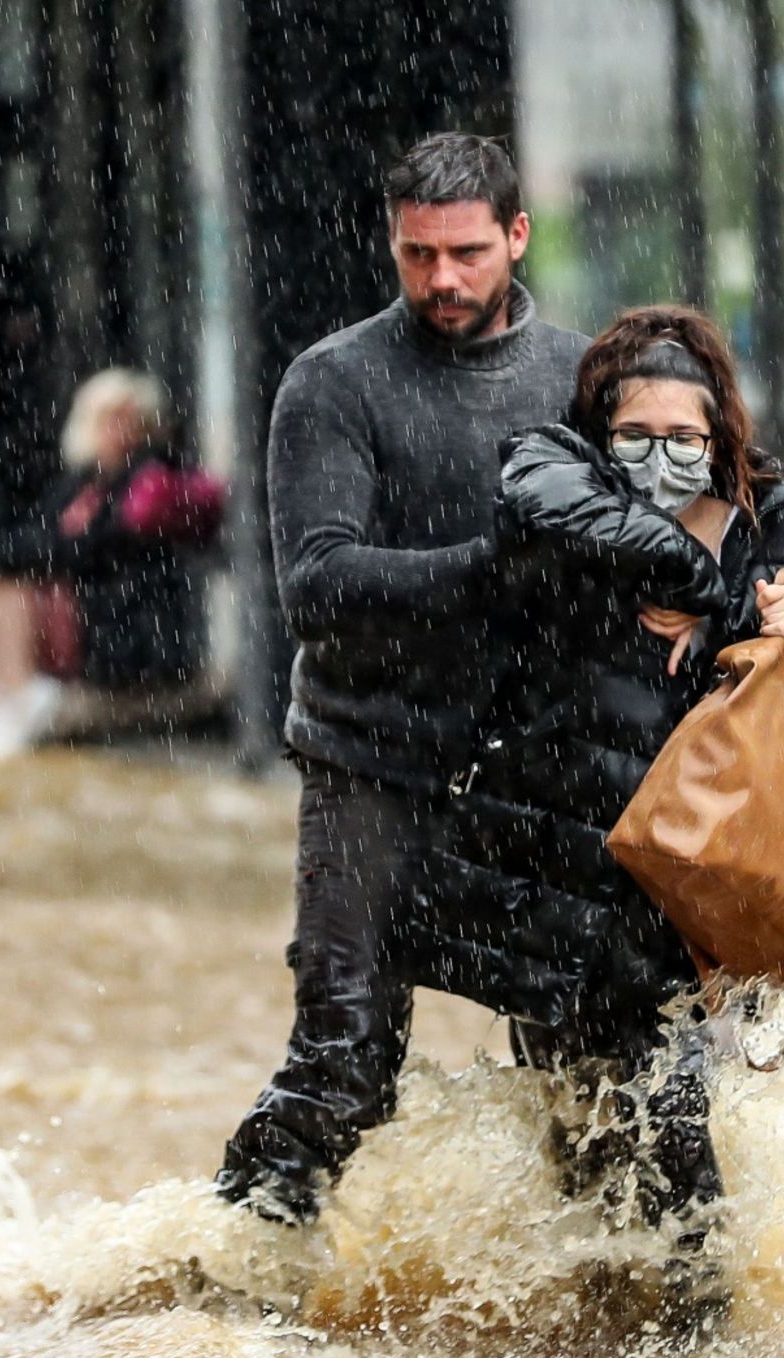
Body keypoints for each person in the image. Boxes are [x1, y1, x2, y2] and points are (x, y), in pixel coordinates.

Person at [409, 305, 784, 1342]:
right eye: (635, 436)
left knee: (675, 1134)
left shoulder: (779, 531)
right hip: (555, 886)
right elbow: (541, 506)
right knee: (578, 1151)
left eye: (684, 440)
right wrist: (681, 576)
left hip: (685, 908)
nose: (659, 458)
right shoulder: (556, 498)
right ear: (601, 431)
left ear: (719, 437)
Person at [214, 134, 591, 1226]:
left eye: (467, 253)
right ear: (391, 242)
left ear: (516, 238)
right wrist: (494, 570)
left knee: (594, 1066)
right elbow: (318, 586)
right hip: (367, 766)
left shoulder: (582, 379)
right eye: (417, 254)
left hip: (540, 770)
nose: (442, 280)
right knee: (342, 1065)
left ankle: (624, 1326)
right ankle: (225, 1305)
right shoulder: (332, 384)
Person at [0, 369, 222, 761]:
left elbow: (85, 549)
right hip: (91, 625)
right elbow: (40, 535)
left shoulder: (149, 481)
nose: (116, 431)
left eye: (126, 419)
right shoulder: (86, 482)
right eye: (107, 419)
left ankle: (16, 701)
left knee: (5, 571)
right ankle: (1, 704)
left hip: (127, 640)